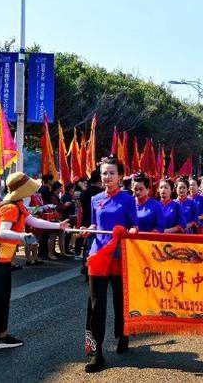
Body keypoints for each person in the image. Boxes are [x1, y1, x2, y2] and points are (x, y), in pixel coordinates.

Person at [0, 172, 68, 351]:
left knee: (1, 298)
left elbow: (33, 220)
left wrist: (58, 226)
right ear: (22, 190)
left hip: (0, 259)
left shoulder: (18, 205)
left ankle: (1, 337)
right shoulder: (10, 207)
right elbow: (2, 233)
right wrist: (23, 236)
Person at [82, 156, 138, 373]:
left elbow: (134, 225)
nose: (107, 177)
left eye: (112, 173)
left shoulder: (127, 199)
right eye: (104, 173)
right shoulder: (95, 199)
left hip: (120, 255)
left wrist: (131, 231)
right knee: (96, 306)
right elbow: (96, 223)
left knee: (120, 300)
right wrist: (89, 229)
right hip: (98, 255)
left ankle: (123, 334)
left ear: (120, 176)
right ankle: (96, 353)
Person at [78, 171, 103, 264]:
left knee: (88, 246)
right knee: (96, 246)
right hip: (98, 223)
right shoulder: (102, 194)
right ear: (100, 179)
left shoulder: (84, 193)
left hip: (86, 221)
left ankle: (86, 267)